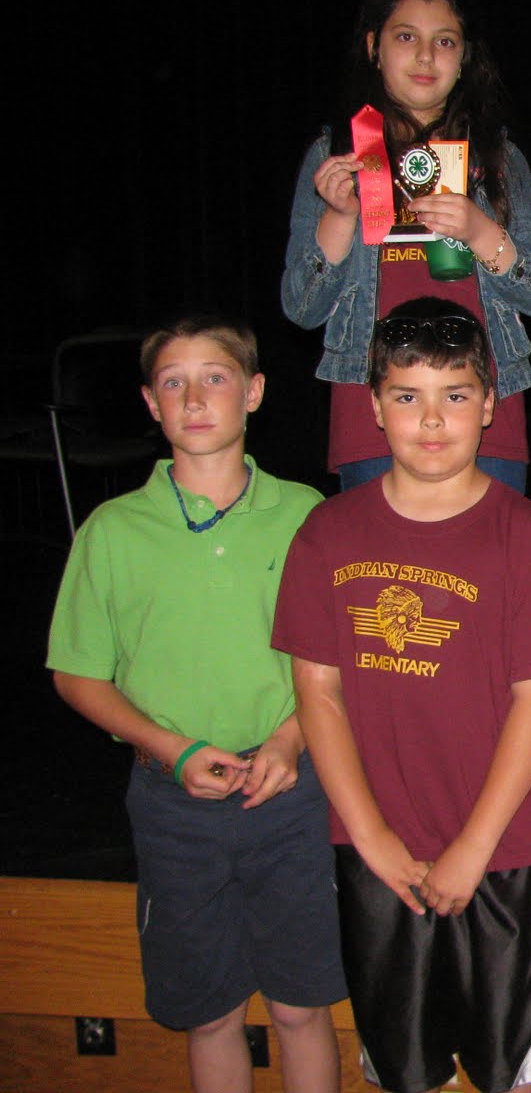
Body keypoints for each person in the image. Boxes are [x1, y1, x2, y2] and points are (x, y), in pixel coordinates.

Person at [272, 298, 531, 1093]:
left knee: (515, 1071)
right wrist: (372, 836)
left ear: (490, 403)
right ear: (373, 404)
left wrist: (474, 848)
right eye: (407, 396)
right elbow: (317, 693)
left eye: (455, 395)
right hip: (378, 856)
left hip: (500, 856)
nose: (432, 420)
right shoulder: (326, 535)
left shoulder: (523, 534)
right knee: (404, 1068)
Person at [47, 316, 342, 1093]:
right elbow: (78, 675)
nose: (195, 397)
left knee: (300, 1007)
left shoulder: (308, 513)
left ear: (253, 392)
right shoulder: (111, 531)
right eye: (173, 382)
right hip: (172, 804)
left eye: (214, 377)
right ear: (151, 404)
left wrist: (289, 741)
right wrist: (171, 749)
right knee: (209, 1013)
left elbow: (342, 657)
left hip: (293, 795)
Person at [282, 0, 531, 493]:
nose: (426, 56)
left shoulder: (498, 159)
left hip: (486, 405)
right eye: (405, 37)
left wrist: (481, 232)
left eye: (445, 42)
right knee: (382, 571)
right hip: (371, 410)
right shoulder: (337, 156)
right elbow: (301, 307)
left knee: (484, 571)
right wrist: (341, 215)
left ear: (464, 59)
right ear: (374, 47)